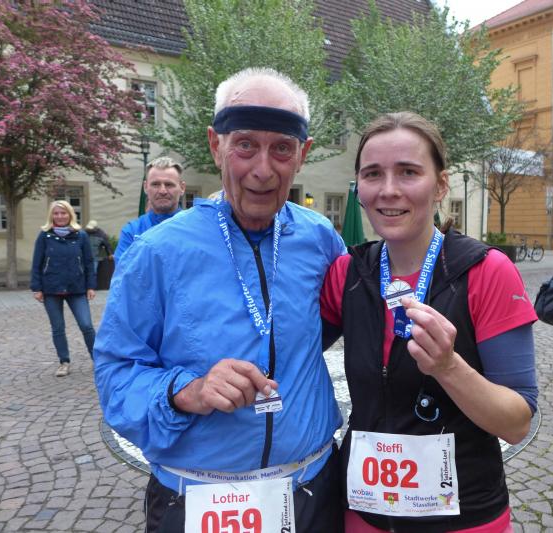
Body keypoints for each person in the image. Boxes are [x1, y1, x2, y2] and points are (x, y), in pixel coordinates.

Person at [94, 68, 345, 533]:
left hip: (312, 492)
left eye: (282, 148)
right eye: (245, 145)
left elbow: (335, 326)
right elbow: (116, 374)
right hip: (200, 498)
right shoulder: (157, 252)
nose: (263, 170)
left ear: (302, 154)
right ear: (216, 145)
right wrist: (188, 391)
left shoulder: (321, 238)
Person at [320, 112, 538, 532]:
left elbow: (516, 423)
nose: (388, 189)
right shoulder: (347, 273)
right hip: (364, 511)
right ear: (359, 187)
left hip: (462, 518)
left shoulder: (486, 271)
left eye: (408, 172)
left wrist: (448, 367)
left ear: (440, 185)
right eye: (372, 173)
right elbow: (289, 354)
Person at [30, 200, 97, 377]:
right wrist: (36, 288)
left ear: (70, 214)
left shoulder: (81, 235)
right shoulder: (45, 236)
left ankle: (98, 359)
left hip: (77, 287)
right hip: (51, 288)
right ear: (51, 216)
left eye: (63, 213)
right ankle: (64, 362)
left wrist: (91, 285)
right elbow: (37, 263)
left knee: (86, 325)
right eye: (56, 213)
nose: (60, 216)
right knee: (58, 327)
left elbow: (89, 262)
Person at [113, 156, 186, 262]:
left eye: (169, 184)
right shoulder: (132, 232)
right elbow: (124, 270)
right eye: (155, 184)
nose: (162, 191)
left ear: (182, 188)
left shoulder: (196, 228)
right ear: (145, 187)